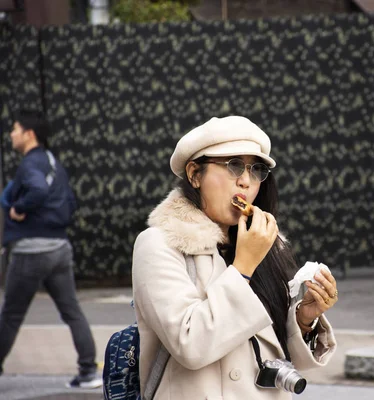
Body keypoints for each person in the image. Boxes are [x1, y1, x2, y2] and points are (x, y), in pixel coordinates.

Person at [132, 116, 338, 399]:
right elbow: (190, 346)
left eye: (256, 170)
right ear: (195, 174)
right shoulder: (159, 244)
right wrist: (243, 267)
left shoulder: (266, 245)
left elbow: (278, 355)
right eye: (234, 166)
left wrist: (304, 319)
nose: (245, 181)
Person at [0, 109, 101, 388]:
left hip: (32, 249)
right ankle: (87, 372)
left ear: (29, 134)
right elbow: (68, 201)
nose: (11, 134)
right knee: (71, 311)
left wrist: (19, 209)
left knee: (10, 315)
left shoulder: (30, 164)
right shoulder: (52, 161)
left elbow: (37, 191)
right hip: (59, 247)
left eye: (15, 129)